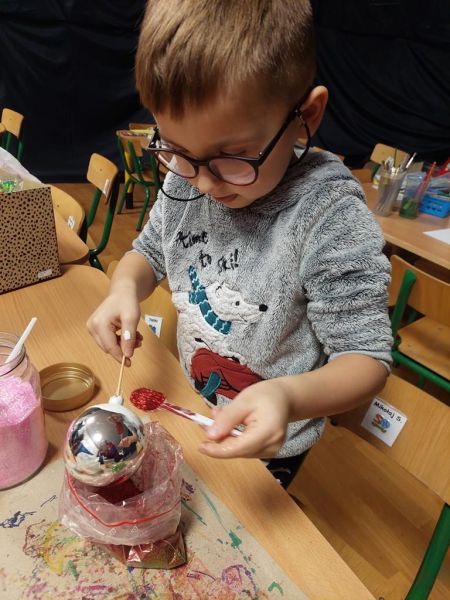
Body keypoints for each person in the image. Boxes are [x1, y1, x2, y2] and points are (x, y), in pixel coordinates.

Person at [87, 0, 392, 488]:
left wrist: (287, 398)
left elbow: (365, 359)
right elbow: (147, 253)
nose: (204, 182)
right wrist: (123, 288)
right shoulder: (187, 178)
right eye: (178, 151)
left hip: (267, 444)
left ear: (307, 116)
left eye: (233, 156)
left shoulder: (328, 216)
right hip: (189, 403)